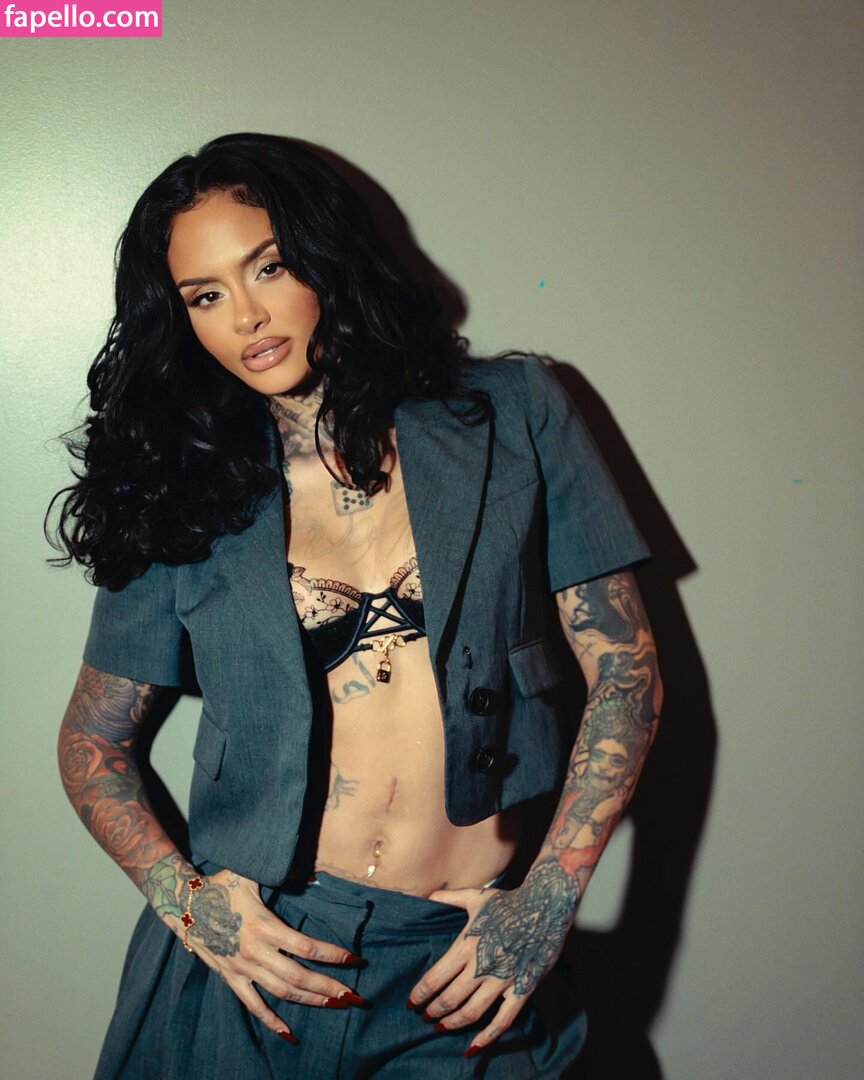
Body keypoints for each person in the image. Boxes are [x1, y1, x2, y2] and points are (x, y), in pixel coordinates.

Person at [49, 133, 662, 1079]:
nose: (246, 316)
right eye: (204, 296)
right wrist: (190, 905)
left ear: (324, 256)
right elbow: (92, 741)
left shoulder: (510, 412)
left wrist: (549, 898)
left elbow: (624, 669)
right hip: (261, 960)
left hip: (457, 967)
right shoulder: (179, 484)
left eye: (269, 266)